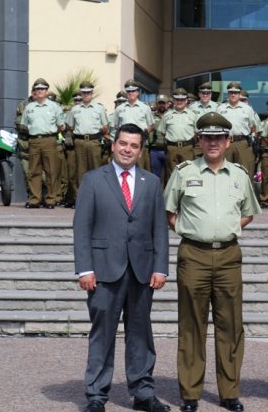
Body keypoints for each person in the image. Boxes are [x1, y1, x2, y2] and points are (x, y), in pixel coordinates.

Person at [164, 112, 261, 412]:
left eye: (219, 137)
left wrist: (224, 229)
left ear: (229, 140)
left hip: (229, 256)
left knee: (230, 325)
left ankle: (229, 391)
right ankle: (190, 394)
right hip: (193, 255)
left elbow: (247, 212)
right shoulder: (182, 172)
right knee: (191, 324)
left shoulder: (240, 175)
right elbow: (170, 212)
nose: (213, 142)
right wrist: (195, 231)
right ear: (199, 140)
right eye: (207, 137)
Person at [73, 123, 171, 412]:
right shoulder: (93, 180)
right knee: (102, 332)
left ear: (141, 151)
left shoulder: (151, 182)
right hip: (103, 270)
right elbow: (82, 227)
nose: (128, 149)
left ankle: (142, 392)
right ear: (113, 145)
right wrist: (85, 269)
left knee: (140, 331)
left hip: (141, 270)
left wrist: (160, 267)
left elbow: (159, 229)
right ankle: (96, 394)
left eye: (134, 145)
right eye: (123, 143)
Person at [20, 78, 65, 209]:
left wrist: (49, 133)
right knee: (34, 171)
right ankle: (35, 199)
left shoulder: (54, 107)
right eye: (38, 89)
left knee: (51, 171)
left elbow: (61, 126)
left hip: (49, 140)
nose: (40, 91)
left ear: (47, 91)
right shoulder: (29, 107)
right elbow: (24, 125)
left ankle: (51, 199)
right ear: (35, 91)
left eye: (43, 89)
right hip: (33, 140)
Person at [67, 80, 109, 194]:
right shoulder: (75, 109)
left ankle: (97, 195)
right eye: (84, 92)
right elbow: (70, 126)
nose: (86, 95)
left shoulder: (99, 108)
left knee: (96, 169)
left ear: (92, 93)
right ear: (81, 93)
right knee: (80, 171)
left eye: (88, 92)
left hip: (94, 141)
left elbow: (105, 127)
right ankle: (82, 197)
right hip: (79, 141)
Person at [114, 80, 156, 171]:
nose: (131, 93)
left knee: (140, 168)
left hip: (139, 143)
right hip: (124, 143)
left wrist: (142, 136)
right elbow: (116, 126)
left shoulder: (145, 107)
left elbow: (151, 125)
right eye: (129, 91)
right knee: (122, 167)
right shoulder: (119, 108)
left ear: (137, 92)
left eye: (133, 91)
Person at [218, 81, 258, 176]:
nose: (233, 95)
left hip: (242, 143)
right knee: (224, 170)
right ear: (228, 94)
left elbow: (252, 126)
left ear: (239, 94)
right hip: (226, 142)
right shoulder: (220, 108)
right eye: (231, 92)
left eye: (235, 93)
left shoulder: (247, 108)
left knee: (245, 170)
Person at [157, 88, 196, 182]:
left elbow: (197, 132)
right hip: (171, 148)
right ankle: (173, 195)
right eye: (177, 99)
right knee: (171, 174)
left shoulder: (192, 115)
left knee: (188, 173)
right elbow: (162, 131)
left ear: (186, 100)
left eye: (182, 99)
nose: (179, 102)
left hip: (187, 148)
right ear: (173, 100)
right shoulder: (167, 115)